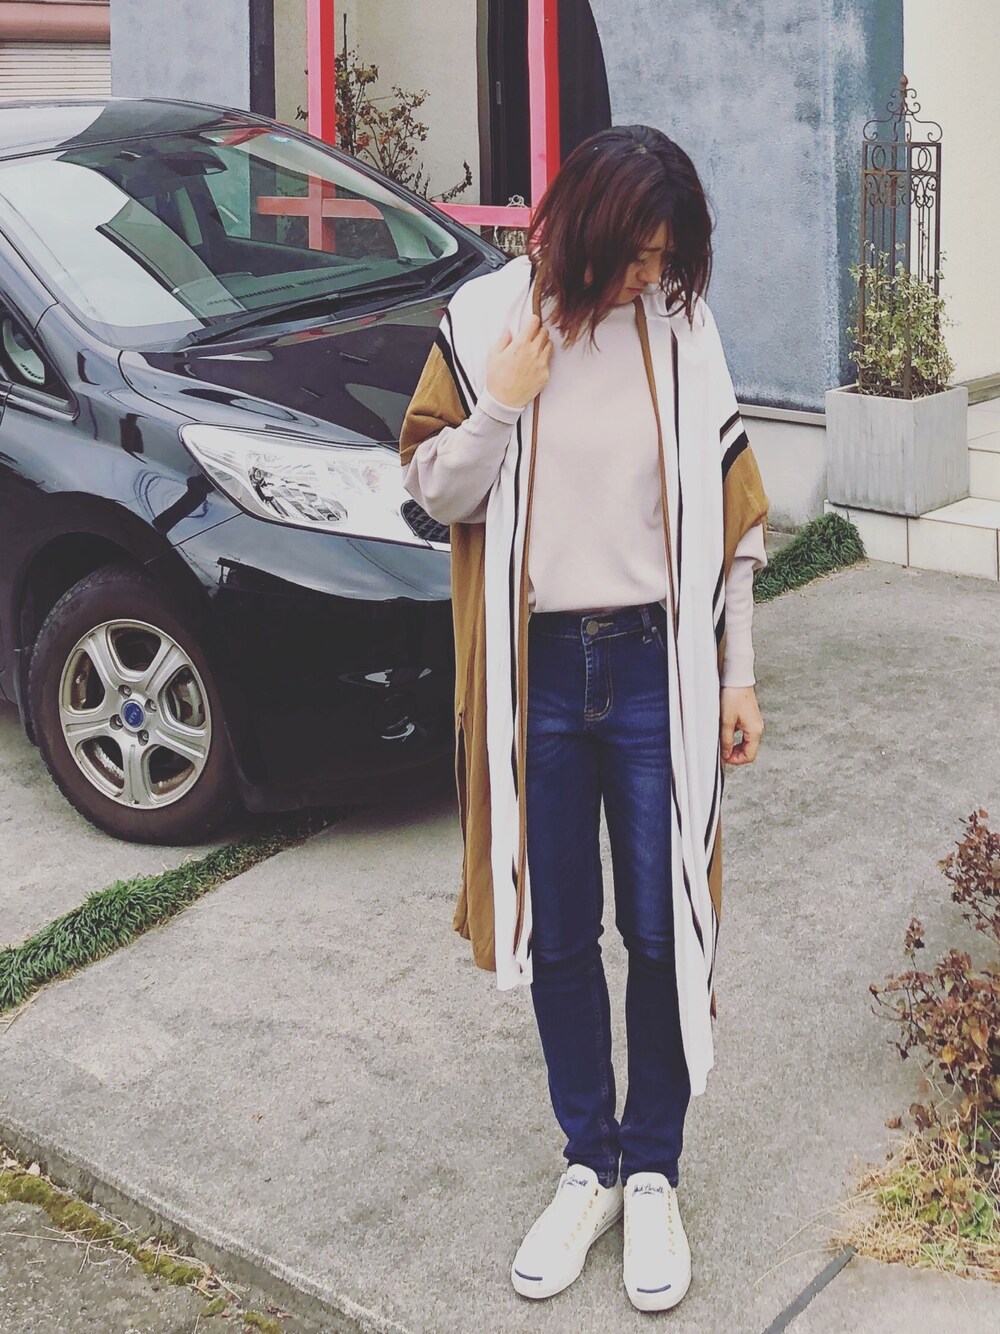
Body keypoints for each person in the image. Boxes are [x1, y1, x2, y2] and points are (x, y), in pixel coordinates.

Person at [399, 124, 769, 1313]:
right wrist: (500, 406)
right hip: (539, 671)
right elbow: (431, 491)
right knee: (559, 932)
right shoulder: (485, 321)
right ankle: (589, 1162)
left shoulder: (681, 327)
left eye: (665, 258)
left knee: (660, 927)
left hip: (657, 664)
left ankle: (651, 1166)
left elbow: (733, 511)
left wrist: (738, 670)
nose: (646, 278)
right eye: (634, 255)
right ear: (584, 231)